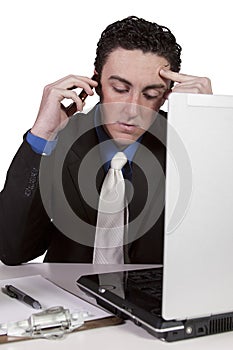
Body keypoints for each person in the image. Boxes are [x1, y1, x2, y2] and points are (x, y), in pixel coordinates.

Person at [0, 16, 212, 265]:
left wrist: (206, 131)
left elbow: (211, 254)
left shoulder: (187, 142)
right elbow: (11, 250)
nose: (132, 110)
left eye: (150, 94)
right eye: (121, 89)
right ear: (97, 82)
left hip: (155, 301)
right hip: (67, 296)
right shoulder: (60, 140)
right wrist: (42, 137)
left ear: (166, 95)